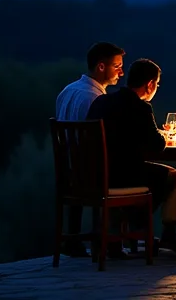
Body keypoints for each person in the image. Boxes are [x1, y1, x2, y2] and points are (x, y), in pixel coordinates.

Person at [86, 58, 176, 253]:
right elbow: (157, 146)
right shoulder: (141, 108)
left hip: (94, 175)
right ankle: (167, 233)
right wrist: (165, 135)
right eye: (156, 84)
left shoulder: (101, 102)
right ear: (150, 84)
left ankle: (127, 233)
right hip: (124, 178)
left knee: (148, 173)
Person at [53, 42, 125, 258]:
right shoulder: (97, 100)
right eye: (117, 66)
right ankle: (112, 242)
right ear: (101, 67)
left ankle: (73, 240)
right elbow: (103, 143)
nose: (121, 72)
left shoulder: (67, 91)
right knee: (129, 173)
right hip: (91, 174)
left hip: (68, 172)